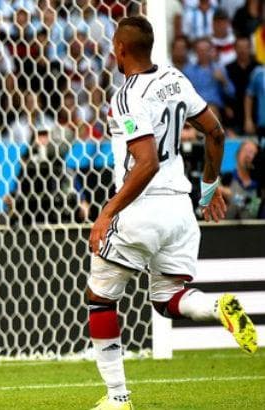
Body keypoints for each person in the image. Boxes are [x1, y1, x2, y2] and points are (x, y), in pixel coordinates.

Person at [87, 17, 257, 410]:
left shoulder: (126, 96)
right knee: (167, 299)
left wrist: (107, 212)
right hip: (180, 210)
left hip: (141, 208)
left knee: (100, 297)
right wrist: (210, 187)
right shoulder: (174, 78)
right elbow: (215, 132)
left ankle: (117, 398)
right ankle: (217, 306)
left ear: (120, 50)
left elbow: (144, 163)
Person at [221, 140, 261, 219]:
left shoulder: (259, 185)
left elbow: (253, 211)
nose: (247, 155)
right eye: (245, 150)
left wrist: (232, 196)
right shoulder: (226, 179)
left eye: (252, 152)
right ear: (237, 155)